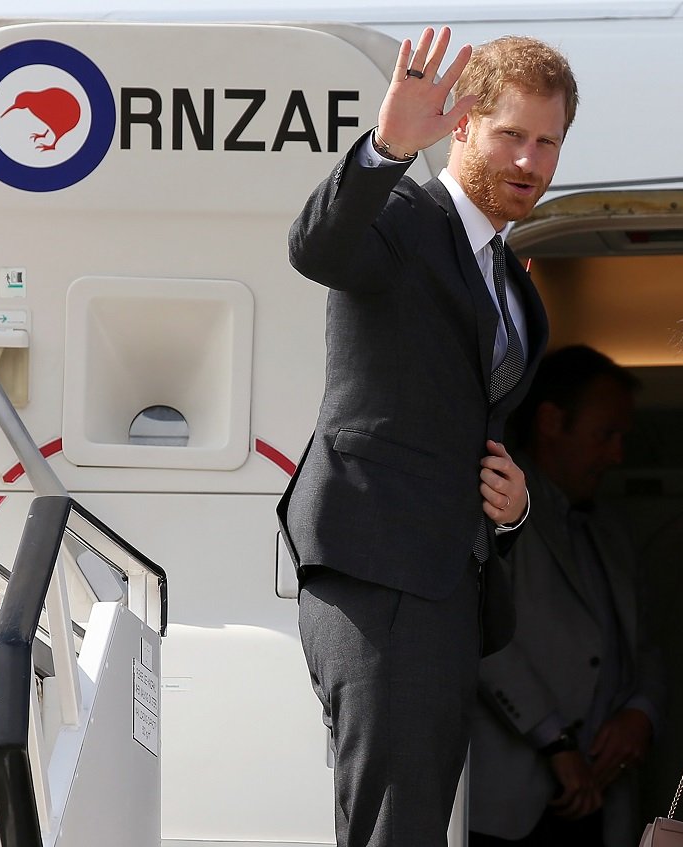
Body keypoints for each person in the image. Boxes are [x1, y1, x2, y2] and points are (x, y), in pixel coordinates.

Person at [277, 27, 578, 847]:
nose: (529, 160)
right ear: (464, 127)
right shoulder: (404, 214)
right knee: (394, 825)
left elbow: (476, 420)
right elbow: (317, 246)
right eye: (511, 134)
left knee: (413, 823)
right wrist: (383, 149)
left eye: (547, 142)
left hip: (449, 586)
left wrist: (512, 510)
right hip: (376, 568)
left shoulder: (513, 277)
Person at [468, 345, 664, 847]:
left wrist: (640, 711)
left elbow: (644, 643)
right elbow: (482, 629)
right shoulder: (493, 506)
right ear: (552, 422)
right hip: (509, 802)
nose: (618, 455)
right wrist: (553, 740)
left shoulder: (614, 531)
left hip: (604, 799)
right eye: (606, 436)